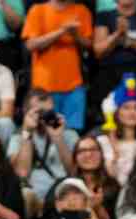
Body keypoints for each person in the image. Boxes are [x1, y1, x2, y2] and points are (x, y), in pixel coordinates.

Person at [21, 0, 93, 131]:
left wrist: (75, 35)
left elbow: (89, 45)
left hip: (74, 86)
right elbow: (31, 45)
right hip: (44, 89)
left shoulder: (81, 11)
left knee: (73, 133)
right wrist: (62, 31)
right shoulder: (37, 10)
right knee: (46, 130)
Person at [91, 0, 136, 115]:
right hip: (111, 75)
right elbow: (98, 51)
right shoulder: (104, 16)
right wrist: (118, 34)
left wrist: (130, 41)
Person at [8, 89, 79, 204]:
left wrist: (58, 138)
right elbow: (22, 173)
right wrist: (27, 133)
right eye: (40, 112)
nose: (45, 116)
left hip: (63, 193)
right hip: (33, 198)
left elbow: (74, 172)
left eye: (49, 112)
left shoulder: (70, 135)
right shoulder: (18, 137)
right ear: (26, 112)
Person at [41, 135, 120, 219]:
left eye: (93, 149)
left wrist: (97, 207)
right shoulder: (63, 184)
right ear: (75, 158)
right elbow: (48, 218)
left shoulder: (113, 186)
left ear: (101, 155)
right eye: (82, 151)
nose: (88, 154)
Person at [96, 75, 136, 186]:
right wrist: (115, 150)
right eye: (126, 108)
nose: (132, 112)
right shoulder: (103, 141)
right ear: (116, 112)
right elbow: (110, 175)